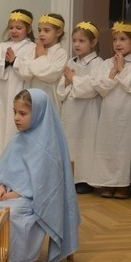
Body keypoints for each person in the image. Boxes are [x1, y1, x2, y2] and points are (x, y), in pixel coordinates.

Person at [0, 89, 80, 262]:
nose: (16, 118)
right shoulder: (17, 138)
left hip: (34, 199)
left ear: (38, 113)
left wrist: (18, 193)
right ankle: (3, 247)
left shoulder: (49, 145)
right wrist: (1, 186)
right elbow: (7, 168)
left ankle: (19, 257)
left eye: (22, 113)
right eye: (15, 112)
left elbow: (46, 184)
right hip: (10, 192)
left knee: (14, 212)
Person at [56, 22, 102, 194]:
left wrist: (74, 80)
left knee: (85, 142)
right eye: (74, 40)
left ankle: (84, 179)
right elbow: (61, 87)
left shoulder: (97, 63)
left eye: (82, 41)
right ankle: (70, 177)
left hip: (87, 111)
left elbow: (92, 87)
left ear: (93, 42)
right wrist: (67, 82)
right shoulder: (71, 61)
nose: (76, 44)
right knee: (70, 141)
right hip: (70, 110)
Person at [0, 9, 36, 170]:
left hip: (19, 91)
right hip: (1, 94)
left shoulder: (32, 48)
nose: (14, 31)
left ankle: (16, 166)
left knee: (14, 126)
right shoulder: (2, 46)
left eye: (18, 28)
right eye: (11, 27)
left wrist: (15, 61)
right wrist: (5, 63)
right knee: (0, 125)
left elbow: (30, 70)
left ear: (28, 29)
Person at [89, 21, 131, 199]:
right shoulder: (106, 64)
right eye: (115, 39)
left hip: (127, 114)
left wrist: (123, 70)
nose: (118, 43)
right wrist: (113, 72)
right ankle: (108, 182)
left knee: (124, 148)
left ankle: (123, 184)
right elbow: (100, 88)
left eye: (123, 39)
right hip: (108, 115)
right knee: (108, 146)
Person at [14, 13, 68, 112]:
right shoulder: (34, 50)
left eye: (46, 30)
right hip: (31, 97)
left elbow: (50, 75)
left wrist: (40, 57)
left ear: (59, 32)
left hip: (49, 98)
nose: (41, 34)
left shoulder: (61, 53)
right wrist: (36, 59)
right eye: (39, 30)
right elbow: (24, 73)